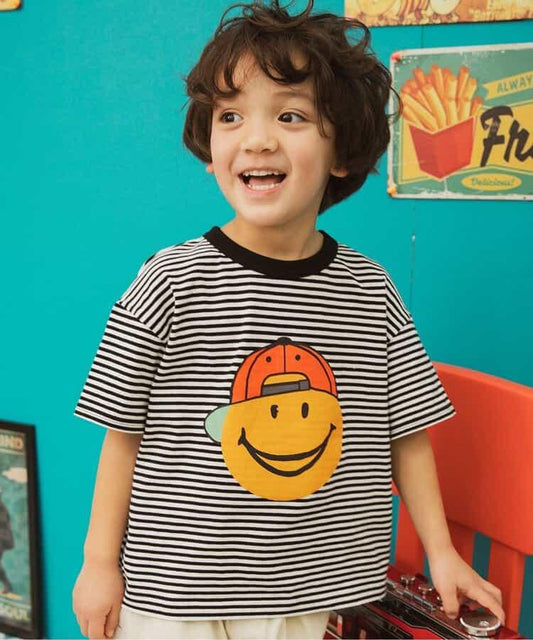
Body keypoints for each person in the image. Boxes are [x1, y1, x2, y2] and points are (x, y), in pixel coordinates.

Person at [72, 0, 506, 638]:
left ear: (342, 151)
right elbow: (121, 433)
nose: (256, 138)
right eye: (230, 115)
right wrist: (98, 564)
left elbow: (406, 435)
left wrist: (441, 553)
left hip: (304, 596)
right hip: (173, 595)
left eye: (290, 115)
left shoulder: (371, 292)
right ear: (209, 144)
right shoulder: (169, 280)